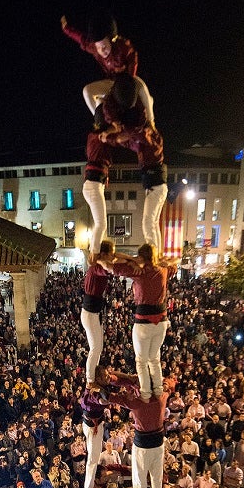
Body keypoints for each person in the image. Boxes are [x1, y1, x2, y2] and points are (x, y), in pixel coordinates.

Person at [85, 76, 166, 254]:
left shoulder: (148, 137)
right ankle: (95, 255)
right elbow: (125, 140)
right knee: (145, 223)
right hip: (96, 185)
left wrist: (116, 132)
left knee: (149, 223)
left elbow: (129, 140)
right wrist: (115, 132)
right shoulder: (99, 138)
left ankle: (155, 255)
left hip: (154, 186)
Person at [96, 242, 177, 400]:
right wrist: (159, 260)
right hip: (161, 321)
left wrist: (98, 261)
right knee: (154, 358)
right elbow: (174, 262)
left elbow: (109, 266)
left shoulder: (139, 271)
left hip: (144, 321)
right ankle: (158, 389)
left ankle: (145, 392)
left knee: (141, 360)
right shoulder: (163, 270)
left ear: (141, 257)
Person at [60, 11, 155, 123]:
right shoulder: (94, 48)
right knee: (86, 91)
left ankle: (151, 120)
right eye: (99, 47)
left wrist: (130, 77)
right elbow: (80, 38)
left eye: (104, 46)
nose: (102, 50)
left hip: (126, 81)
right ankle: (99, 123)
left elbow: (133, 58)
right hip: (111, 82)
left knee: (142, 87)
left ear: (111, 41)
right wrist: (66, 28)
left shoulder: (122, 46)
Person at [81, 240, 114, 387]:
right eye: (111, 254)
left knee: (98, 348)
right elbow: (109, 268)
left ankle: (95, 374)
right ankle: (90, 380)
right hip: (90, 314)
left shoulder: (96, 267)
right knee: (94, 348)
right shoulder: (96, 268)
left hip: (94, 313)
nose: (113, 257)